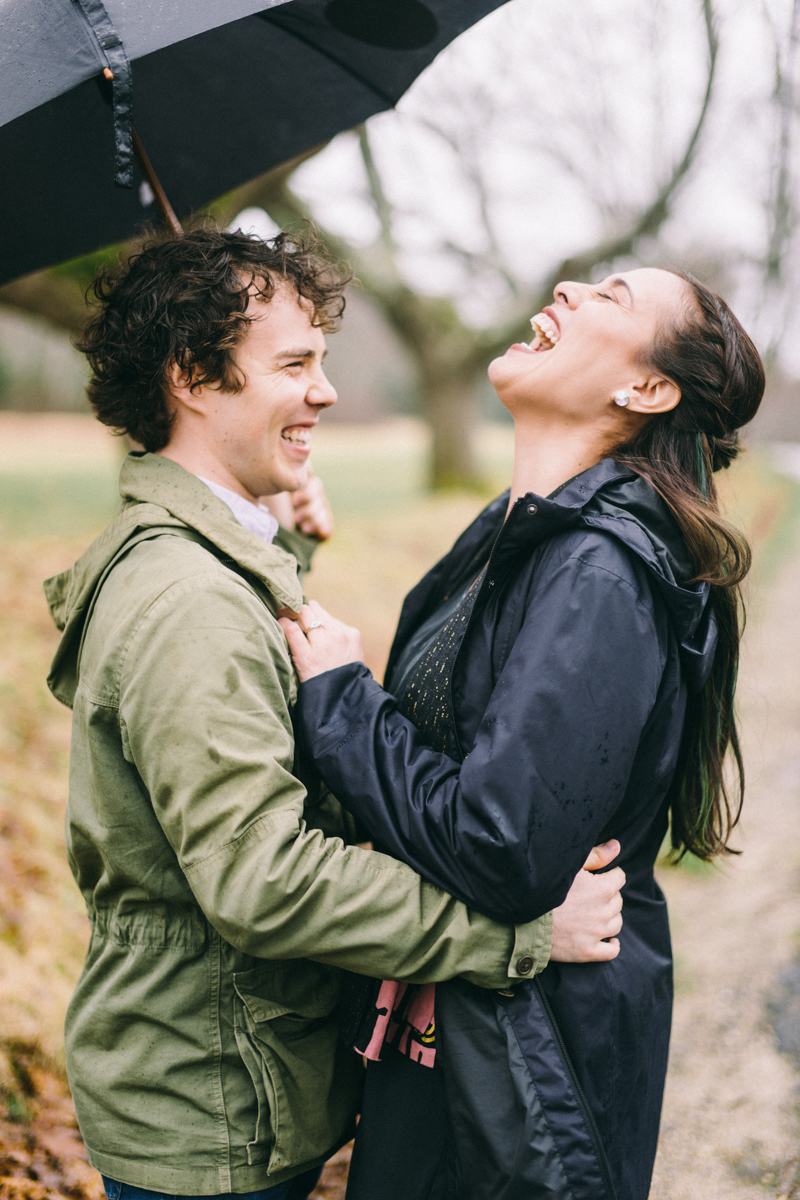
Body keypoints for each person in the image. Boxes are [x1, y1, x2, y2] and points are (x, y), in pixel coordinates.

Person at [44, 228, 624, 1200]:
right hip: (211, 1117)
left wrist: (276, 547)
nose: (325, 392)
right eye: (295, 364)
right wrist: (517, 937)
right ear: (193, 374)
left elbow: (236, 724)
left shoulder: (205, 569)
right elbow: (264, 880)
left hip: (239, 1084)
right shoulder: (191, 602)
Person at [282, 267, 766, 1200]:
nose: (573, 285)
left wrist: (342, 702)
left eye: (613, 297)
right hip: (450, 1033)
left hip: (525, 1073)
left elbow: (500, 843)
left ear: (647, 389)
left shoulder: (597, 573)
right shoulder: (518, 533)